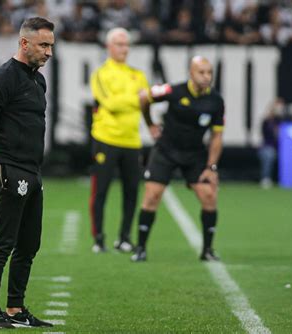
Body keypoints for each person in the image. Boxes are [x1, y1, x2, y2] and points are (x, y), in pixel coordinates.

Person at [0, 17, 54, 330]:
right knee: (3, 242)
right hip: (11, 170)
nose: (48, 52)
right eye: (43, 45)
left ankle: (16, 308)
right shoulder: (4, 77)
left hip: (32, 171)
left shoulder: (38, 80)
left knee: (29, 244)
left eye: (50, 46)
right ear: (24, 43)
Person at [131, 56, 225, 262]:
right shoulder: (174, 91)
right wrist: (150, 124)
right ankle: (140, 248)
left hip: (195, 154)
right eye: (201, 72)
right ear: (191, 73)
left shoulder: (216, 101)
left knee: (209, 195)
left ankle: (207, 250)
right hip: (166, 151)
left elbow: (217, 136)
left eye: (209, 72)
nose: (206, 77)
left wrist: (212, 166)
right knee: (152, 196)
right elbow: (143, 97)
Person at [89, 27, 150, 253]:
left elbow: (146, 102)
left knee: (131, 191)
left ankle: (124, 237)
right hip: (106, 139)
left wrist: (150, 123)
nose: (124, 48)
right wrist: (136, 98)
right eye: (119, 44)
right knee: (101, 190)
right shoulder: (101, 74)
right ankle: (99, 238)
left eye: (126, 44)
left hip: (132, 141)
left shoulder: (138, 74)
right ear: (109, 46)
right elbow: (110, 104)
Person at [258, 99, 283, 189]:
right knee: (269, 154)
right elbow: (267, 135)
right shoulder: (268, 121)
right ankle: (266, 178)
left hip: (283, 149)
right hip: (269, 147)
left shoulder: (283, 121)